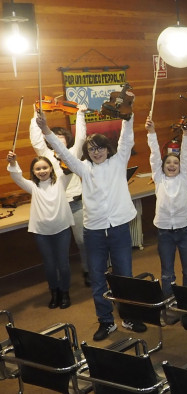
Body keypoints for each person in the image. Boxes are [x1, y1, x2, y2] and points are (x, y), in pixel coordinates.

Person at [41, 102, 146, 341]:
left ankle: (128, 317)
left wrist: (127, 117)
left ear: (108, 149)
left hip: (118, 227)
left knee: (124, 276)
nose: (96, 152)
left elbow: (127, 139)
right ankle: (106, 321)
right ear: (87, 153)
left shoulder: (118, 163)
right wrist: (47, 131)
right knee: (98, 278)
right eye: (92, 149)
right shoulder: (83, 168)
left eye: (100, 148)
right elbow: (64, 151)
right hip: (94, 231)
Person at [29, 106, 90, 287]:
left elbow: (81, 137)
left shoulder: (73, 154)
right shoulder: (45, 156)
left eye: (62, 137)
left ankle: (87, 270)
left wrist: (80, 114)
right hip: (57, 207)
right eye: (55, 138)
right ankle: (59, 283)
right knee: (57, 248)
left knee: (82, 240)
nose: (58, 140)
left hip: (76, 203)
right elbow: (36, 138)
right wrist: (36, 115)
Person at [6, 151, 73, 309]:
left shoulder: (61, 182)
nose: (42, 171)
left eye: (45, 167)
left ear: (51, 168)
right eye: (38, 169)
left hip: (62, 229)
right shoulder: (33, 186)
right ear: (33, 172)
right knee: (50, 265)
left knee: (63, 264)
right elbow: (16, 177)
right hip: (42, 232)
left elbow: (69, 168)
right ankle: (54, 292)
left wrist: (59, 157)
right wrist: (14, 162)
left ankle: (65, 292)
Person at [146, 117, 187, 296]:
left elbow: (186, 155)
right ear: (162, 167)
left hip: (185, 229)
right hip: (164, 230)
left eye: (175, 163)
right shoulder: (159, 179)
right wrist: (152, 133)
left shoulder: (184, 177)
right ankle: (169, 302)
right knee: (167, 273)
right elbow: (154, 156)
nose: (172, 165)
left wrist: (186, 135)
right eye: (168, 163)